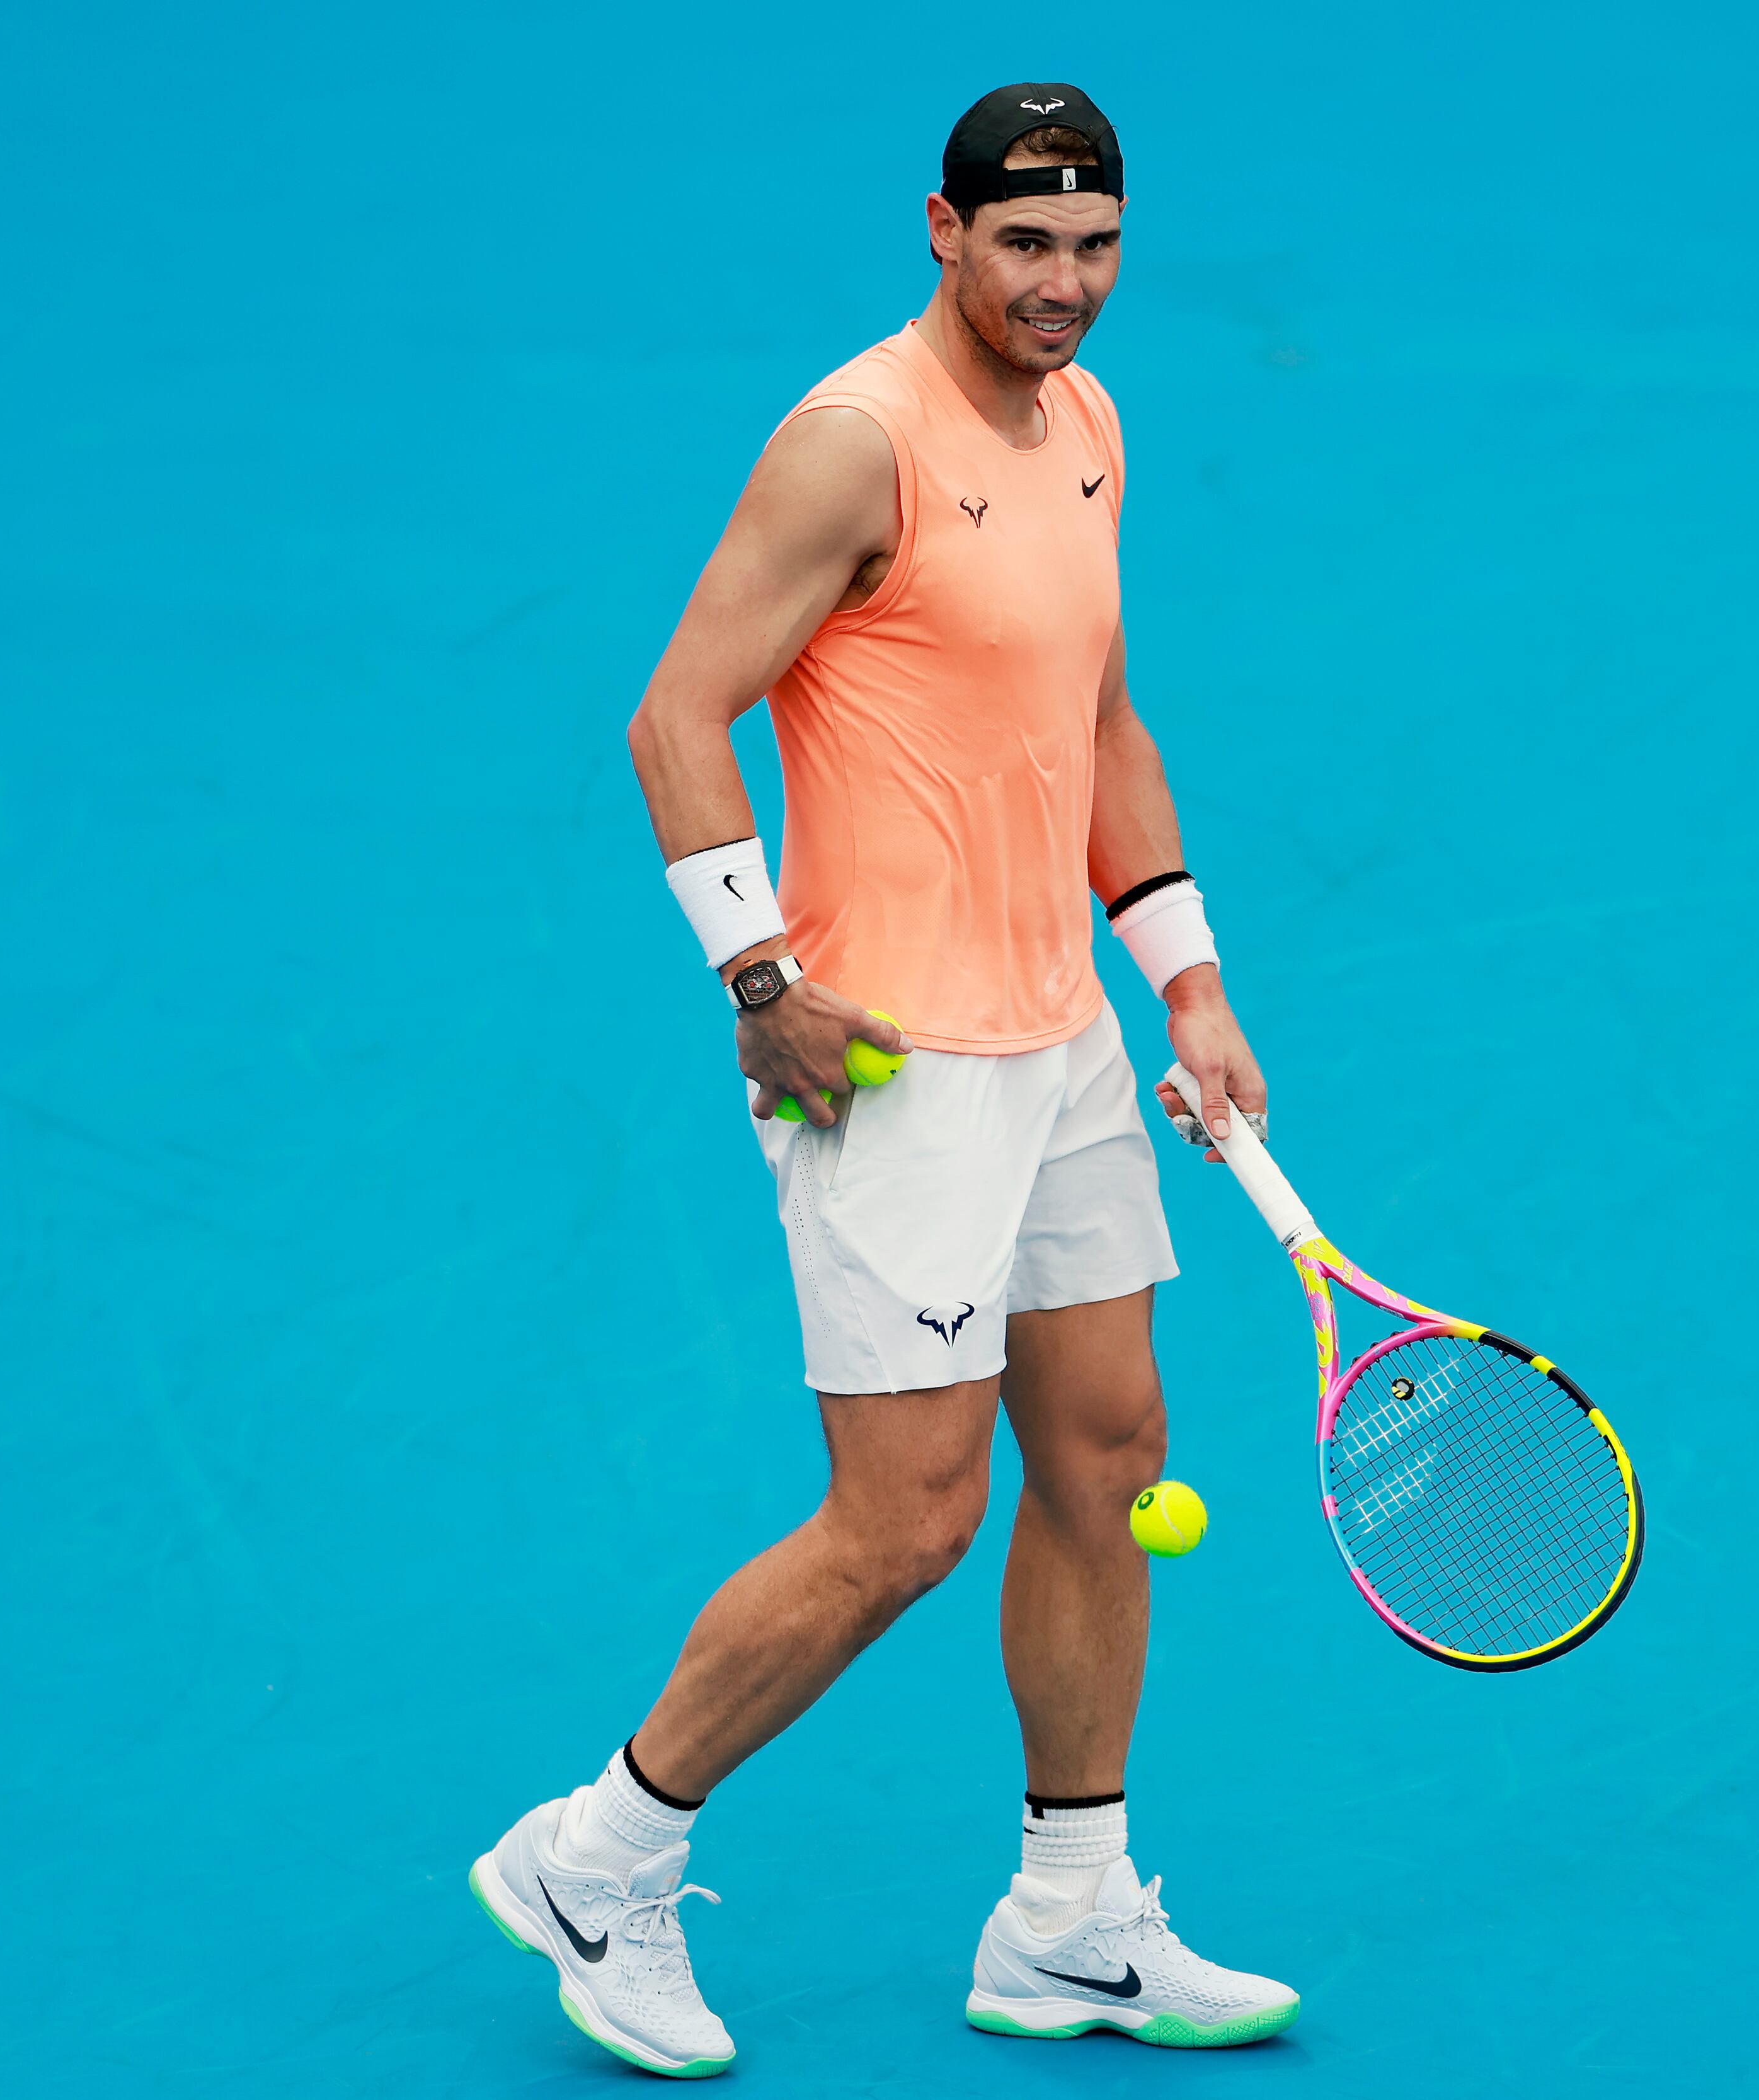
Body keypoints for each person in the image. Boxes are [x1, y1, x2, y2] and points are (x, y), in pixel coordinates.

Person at [466, 84, 1297, 2076]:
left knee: (1103, 1459)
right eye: (1025, 247)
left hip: (1070, 1044)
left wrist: (1185, 983)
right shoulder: (855, 448)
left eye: (1095, 245)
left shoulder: (1086, 426)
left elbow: (1097, 719)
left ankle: (1072, 1920)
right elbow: (677, 714)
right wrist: (758, 976)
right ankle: (601, 1853)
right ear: (942, 231)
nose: (1064, 287)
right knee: (905, 1522)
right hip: (895, 1065)